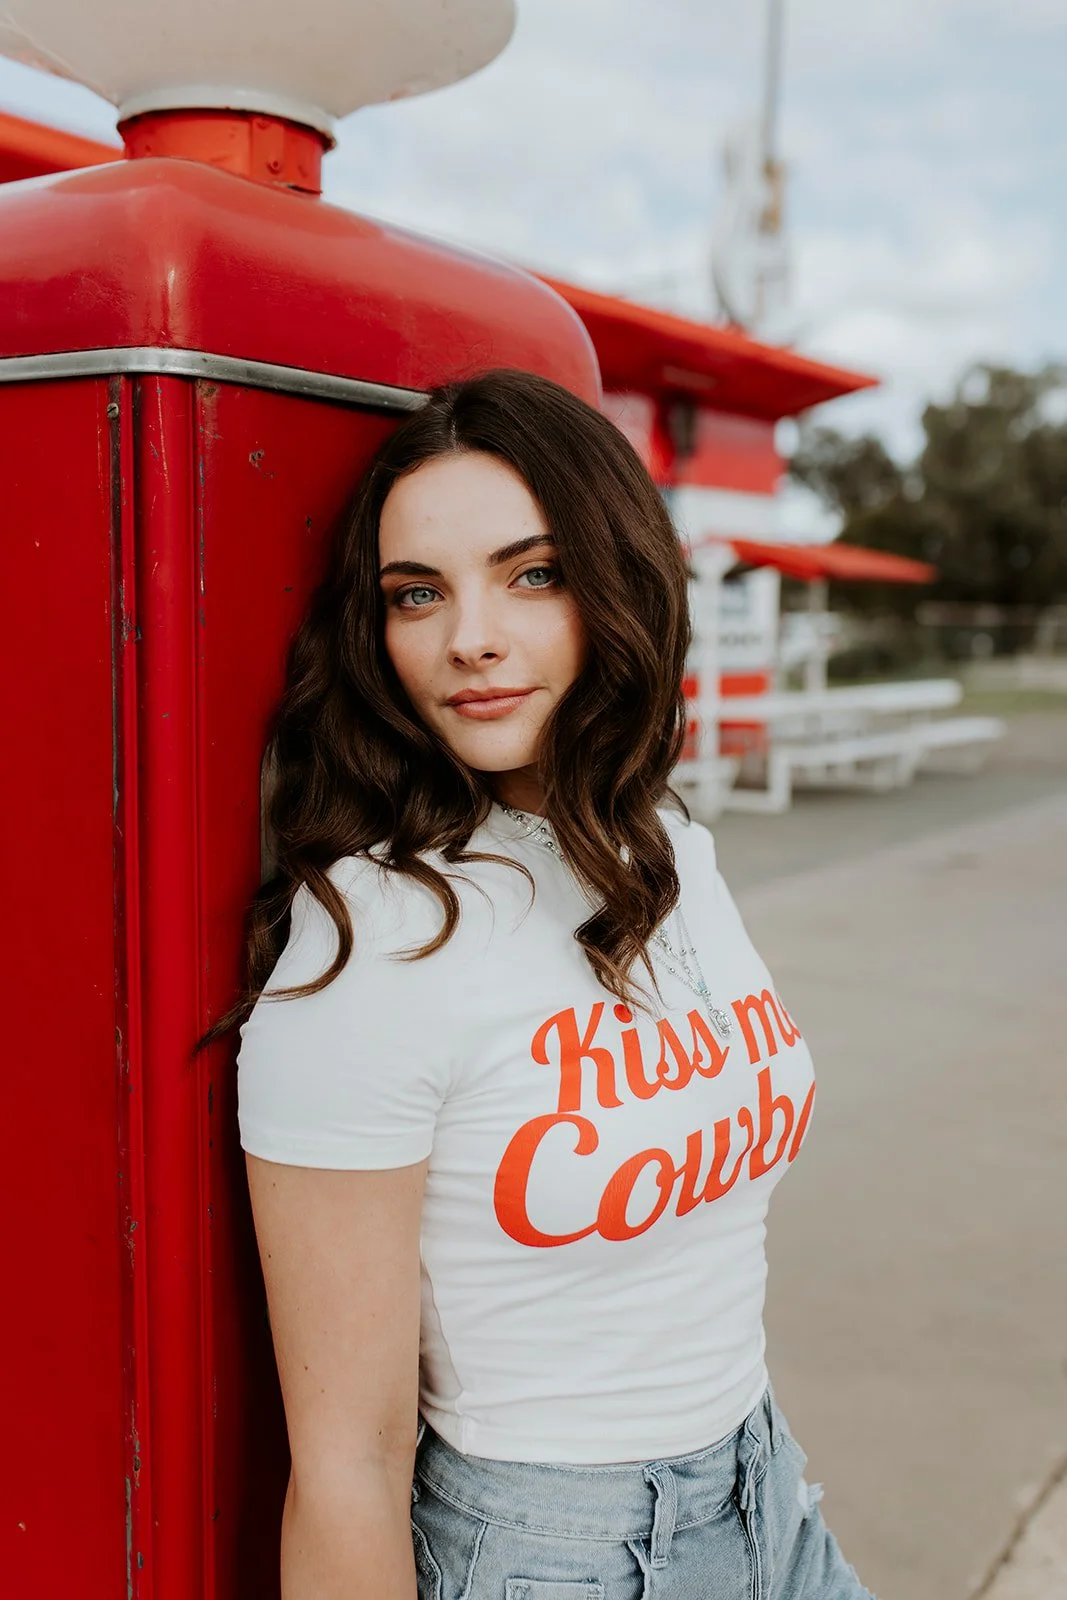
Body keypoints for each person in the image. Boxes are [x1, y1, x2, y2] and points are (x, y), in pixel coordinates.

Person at [226, 368, 875, 1598]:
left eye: (531, 573)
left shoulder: (669, 849)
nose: (468, 635)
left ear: (618, 580)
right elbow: (350, 1463)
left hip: (767, 1491)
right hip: (556, 1554)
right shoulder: (369, 938)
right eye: (418, 594)